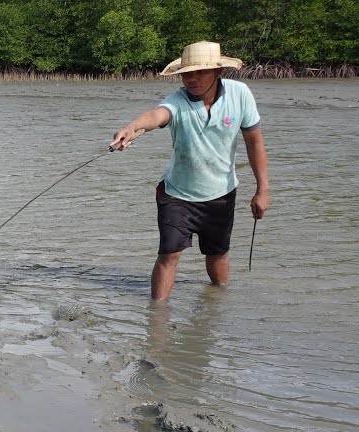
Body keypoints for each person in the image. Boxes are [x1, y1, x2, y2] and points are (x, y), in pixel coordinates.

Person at [111, 41, 269, 301]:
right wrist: (131, 128)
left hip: (221, 193)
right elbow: (156, 116)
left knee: (217, 254)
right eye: (187, 74)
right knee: (169, 253)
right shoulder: (177, 101)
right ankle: (157, 319)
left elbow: (255, 141)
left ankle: (216, 308)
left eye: (200, 72)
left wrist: (263, 189)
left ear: (218, 72)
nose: (192, 80)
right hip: (177, 193)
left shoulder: (240, 94)